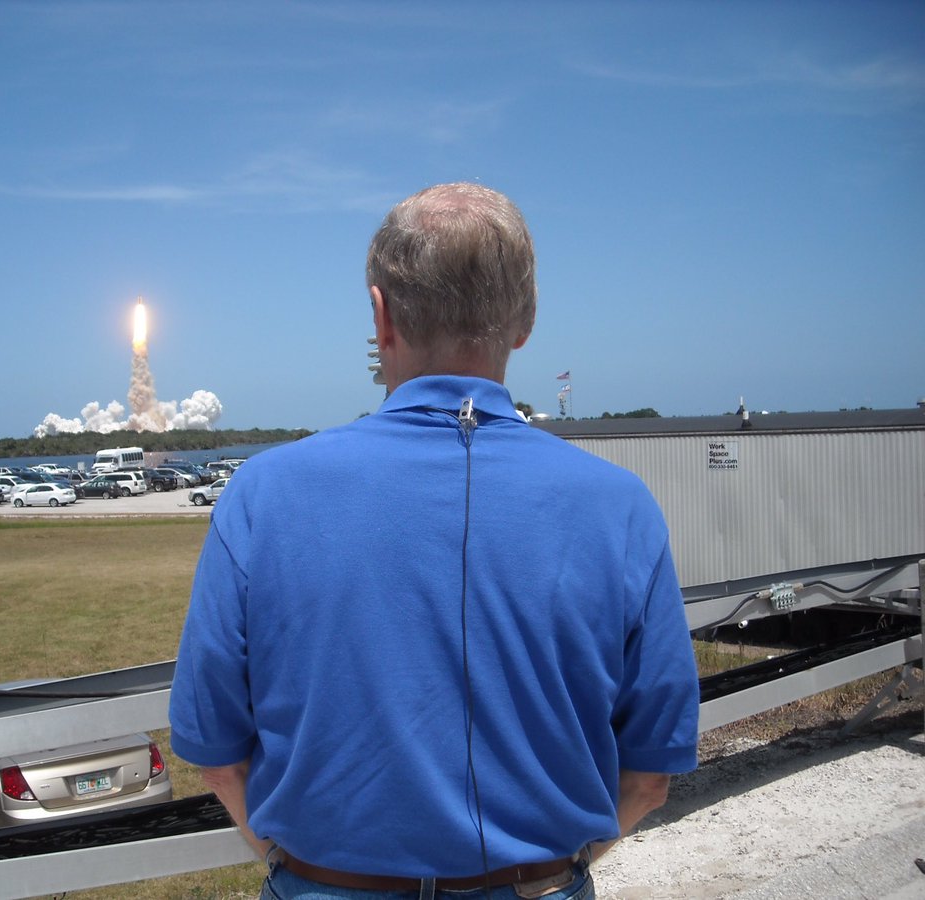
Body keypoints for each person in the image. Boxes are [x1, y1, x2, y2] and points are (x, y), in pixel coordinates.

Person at [168, 182, 700, 900]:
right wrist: (548, 875)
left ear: (380, 316)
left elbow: (218, 757)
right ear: (526, 320)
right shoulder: (622, 507)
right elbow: (649, 778)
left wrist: (292, 863)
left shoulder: (262, 494)